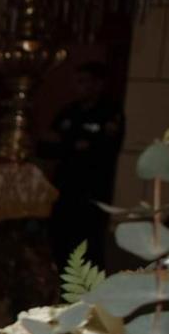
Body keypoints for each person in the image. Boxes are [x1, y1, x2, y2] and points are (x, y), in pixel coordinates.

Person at [42, 60, 125, 269]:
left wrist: (68, 144)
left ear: (98, 84)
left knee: (89, 244)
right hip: (64, 187)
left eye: (85, 82)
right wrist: (73, 144)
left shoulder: (109, 112)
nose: (80, 87)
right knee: (60, 240)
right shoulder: (68, 112)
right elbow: (46, 146)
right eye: (77, 82)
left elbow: (101, 149)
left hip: (92, 190)